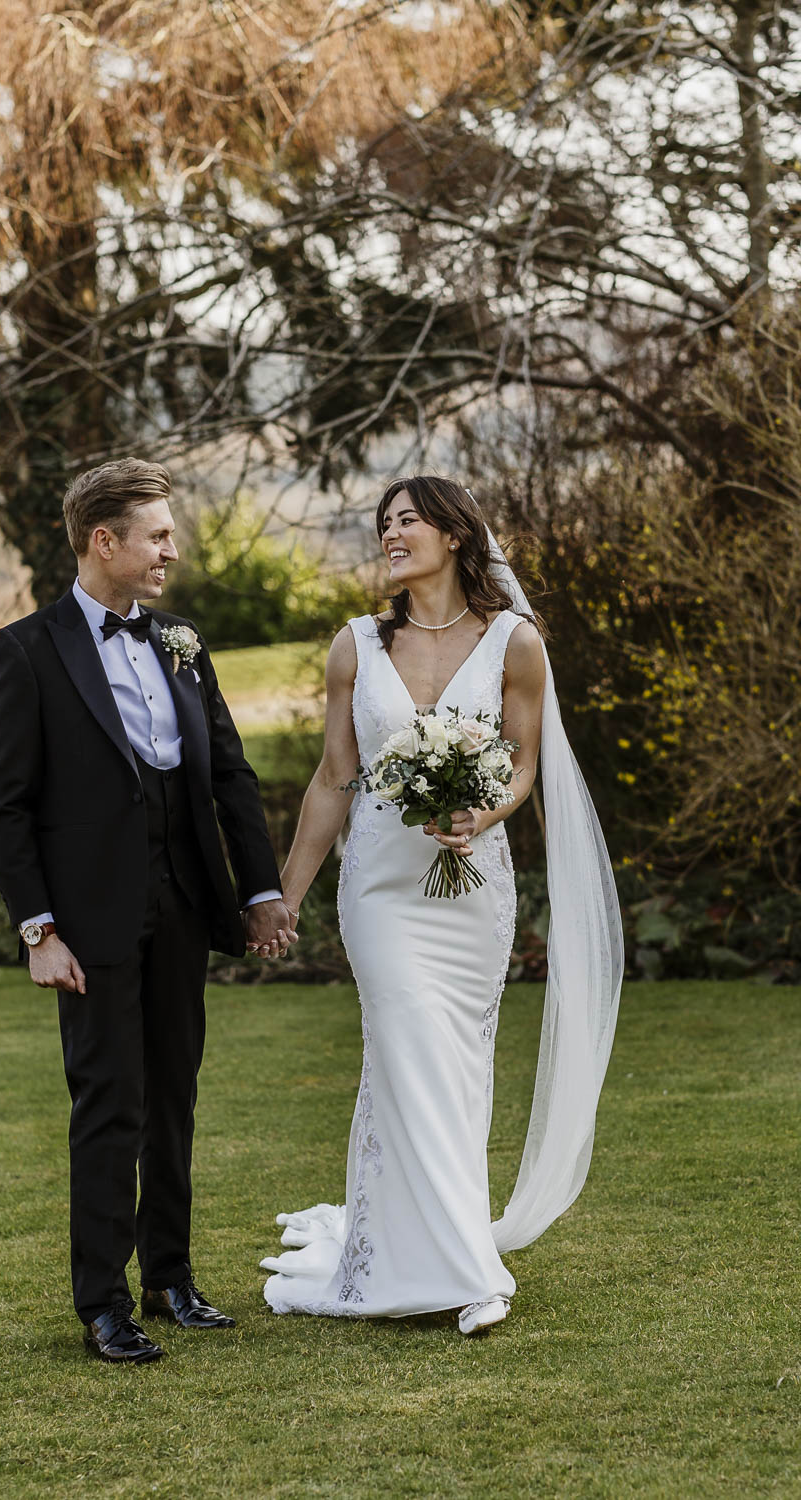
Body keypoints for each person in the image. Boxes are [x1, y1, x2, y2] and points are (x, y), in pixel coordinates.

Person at [260, 475, 623, 1335]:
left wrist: (481, 810)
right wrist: (285, 896)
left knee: (453, 1071)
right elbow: (332, 779)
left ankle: (413, 1249)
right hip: (381, 891)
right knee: (409, 1040)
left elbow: (525, 766)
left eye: (407, 521)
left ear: (456, 536)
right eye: (384, 524)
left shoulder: (514, 642)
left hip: (473, 895)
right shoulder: (354, 646)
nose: (391, 534)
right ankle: (470, 1274)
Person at [0, 458, 296, 1365]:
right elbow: (7, 807)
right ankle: (102, 1303)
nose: (172, 549)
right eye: (157, 535)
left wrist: (260, 887)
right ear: (102, 541)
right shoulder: (28, 651)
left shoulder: (181, 642)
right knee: (108, 1103)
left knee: (173, 1098)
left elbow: (228, 773)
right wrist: (38, 930)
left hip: (186, 903)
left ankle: (170, 1278)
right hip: (88, 918)